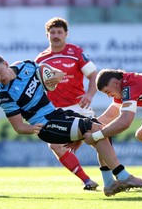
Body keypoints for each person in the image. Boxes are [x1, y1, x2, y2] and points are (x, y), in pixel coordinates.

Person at [0, 54, 142, 197]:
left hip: (56, 114)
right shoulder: (4, 96)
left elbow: (57, 75)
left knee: (100, 129)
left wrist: (54, 79)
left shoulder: (27, 66)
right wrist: (32, 128)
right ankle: (123, 176)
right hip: (46, 124)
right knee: (96, 130)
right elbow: (18, 127)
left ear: (6, 64)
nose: (0, 78)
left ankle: (109, 184)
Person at [35, 17, 98, 191]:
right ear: (47, 35)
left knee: (98, 138)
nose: (56, 36)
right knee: (55, 145)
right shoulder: (41, 60)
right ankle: (87, 181)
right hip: (57, 111)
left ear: (66, 34)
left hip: (79, 107)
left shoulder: (76, 52)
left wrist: (90, 94)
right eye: (52, 32)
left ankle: (116, 176)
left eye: (59, 32)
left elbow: (93, 76)